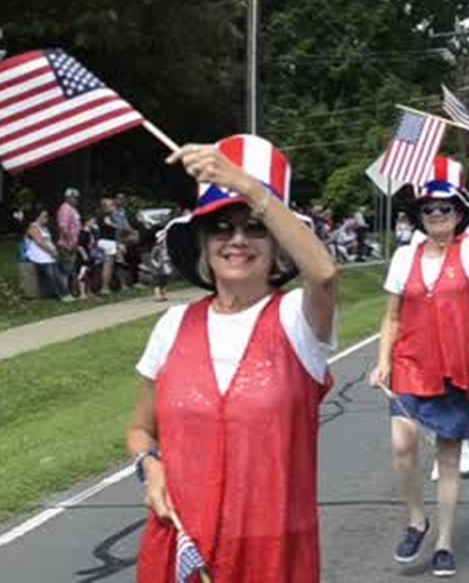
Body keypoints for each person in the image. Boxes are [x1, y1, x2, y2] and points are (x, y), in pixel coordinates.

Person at [127, 134, 338, 583]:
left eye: (254, 227)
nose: (237, 240)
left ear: (277, 245)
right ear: (203, 243)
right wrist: (150, 466)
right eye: (222, 227)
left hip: (272, 554)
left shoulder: (295, 319)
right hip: (181, 546)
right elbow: (141, 430)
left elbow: (324, 274)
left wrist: (249, 188)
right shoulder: (172, 325)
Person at [369, 128, 469, 577]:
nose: (438, 215)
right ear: (421, 215)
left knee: (449, 458)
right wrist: (382, 362)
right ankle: (416, 518)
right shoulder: (405, 257)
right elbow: (392, 318)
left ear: (459, 213)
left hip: (456, 369)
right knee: (403, 443)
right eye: (430, 208)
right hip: (410, 365)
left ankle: (444, 542)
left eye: (447, 208)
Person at [23, 208, 71, 301]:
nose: (46, 218)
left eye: (47, 216)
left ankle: (64, 293)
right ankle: (57, 295)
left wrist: (54, 251)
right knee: (51, 273)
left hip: (48, 256)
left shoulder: (44, 228)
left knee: (57, 273)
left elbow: (48, 241)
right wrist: (51, 251)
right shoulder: (33, 227)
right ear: (38, 217)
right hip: (38, 257)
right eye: (44, 216)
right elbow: (40, 242)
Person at [56, 188, 82, 297]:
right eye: (74, 197)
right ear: (68, 197)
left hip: (73, 244)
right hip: (66, 245)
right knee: (66, 270)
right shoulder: (65, 209)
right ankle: (64, 293)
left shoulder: (73, 209)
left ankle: (72, 291)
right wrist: (71, 242)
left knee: (71, 269)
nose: (76, 200)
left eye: (77, 198)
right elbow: (63, 228)